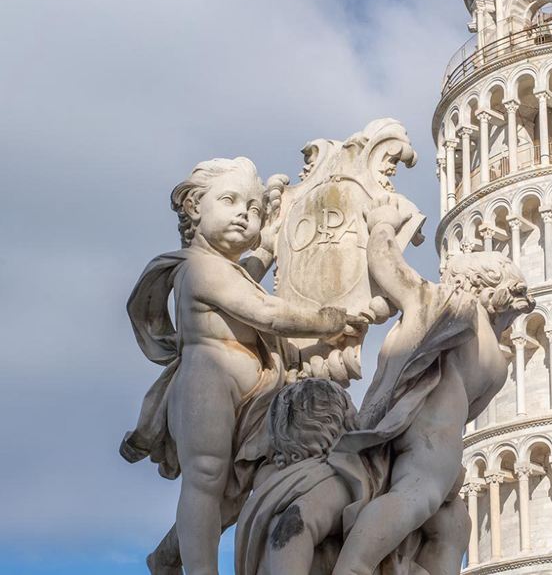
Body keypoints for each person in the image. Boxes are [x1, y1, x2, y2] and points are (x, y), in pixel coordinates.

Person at [121, 157, 369, 575]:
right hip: (208, 383)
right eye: (230, 201)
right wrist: (331, 321)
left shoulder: (226, 271)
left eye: (253, 209)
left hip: (256, 392)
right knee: (206, 476)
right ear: (194, 208)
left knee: (234, 492)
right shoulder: (197, 269)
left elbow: (246, 281)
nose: (244, 214)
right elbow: (264, 311)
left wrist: (267, 248)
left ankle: (167, 557)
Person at [330, 195, 535, 575]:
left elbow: (389, 268)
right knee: (425, 502)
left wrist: (383, 224)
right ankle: (354, 567)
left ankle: (355, 565)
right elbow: (472, 409)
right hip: (439, 438)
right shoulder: (496, 360)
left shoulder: (449, 306)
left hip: (420, 425)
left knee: (427, 506)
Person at [236, 378, 377, 575]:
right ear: (336, 423)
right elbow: (294, 525)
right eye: (351, 412)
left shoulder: (277, 484)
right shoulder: (332, 478)